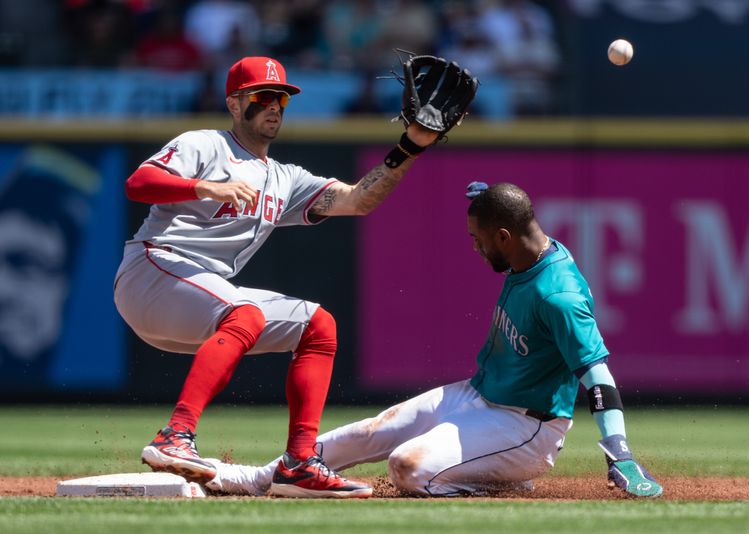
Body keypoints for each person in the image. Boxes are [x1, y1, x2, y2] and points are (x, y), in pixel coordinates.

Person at [113, 55, 446, 499]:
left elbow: (358, 200)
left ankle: (299, 463)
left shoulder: (283, 179)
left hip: (203, 296)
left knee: (317, 325)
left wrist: (411, 145)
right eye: (262, 97)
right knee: (245, 313)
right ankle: (174, 436)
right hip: (152, 271)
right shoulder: (206, 145)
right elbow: (138, 183)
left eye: (282, 98)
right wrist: (204, 187)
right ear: (235, 103)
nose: (274, 105)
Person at [204, 182, 663, 498]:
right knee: (370, 431)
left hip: (526, 428)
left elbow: (598, 375)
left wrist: (618, 452)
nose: (475, 247)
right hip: (475, 395)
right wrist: (485, 199)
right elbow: (508, 211)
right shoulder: (526, 248)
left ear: (504, 236)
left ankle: (498, 480)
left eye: (479, 239)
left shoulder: (558, 295)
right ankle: (256, 477)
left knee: (407, 468)